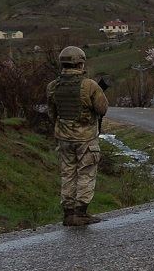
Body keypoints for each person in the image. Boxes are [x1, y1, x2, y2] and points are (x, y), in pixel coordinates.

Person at [46, 46, 109, 226]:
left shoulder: (52, 86)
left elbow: (52, 113)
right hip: (86, 138)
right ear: (80, 63)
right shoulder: (89, 85)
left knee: (67, 174)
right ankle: (80, 212)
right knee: (86, 173)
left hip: (64, 138)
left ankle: (68, 213)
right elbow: (102, 109)